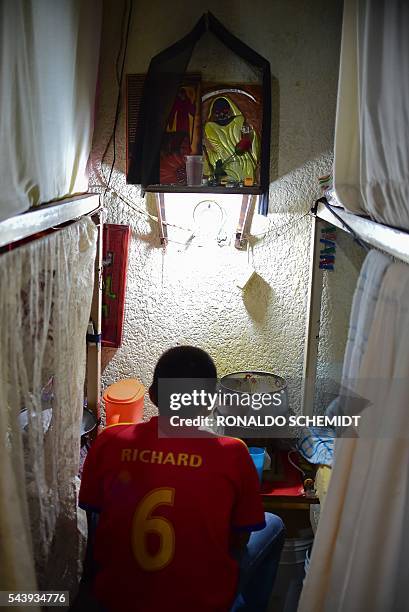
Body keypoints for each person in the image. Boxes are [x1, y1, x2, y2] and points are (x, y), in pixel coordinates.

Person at [77, 346, 285, 612]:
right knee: (273, 524)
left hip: (116, 599)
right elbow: (240, 539)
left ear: (152, 395)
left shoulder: (109, 440)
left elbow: (94, 514)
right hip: (198, 604)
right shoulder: (233, 453)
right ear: (210, 403)